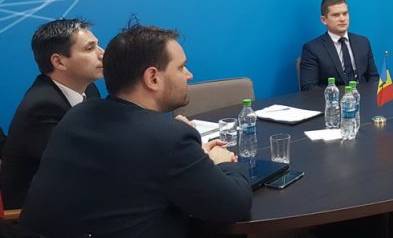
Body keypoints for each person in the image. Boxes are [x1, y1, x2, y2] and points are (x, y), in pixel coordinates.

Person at [21, 24, 251, 237]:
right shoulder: (169, 137)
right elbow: (233, 206)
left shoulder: (77, 115)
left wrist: (192, 156)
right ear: (152, 78)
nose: (189, 75)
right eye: (181, 67)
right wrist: (225, 163)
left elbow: (135, 166)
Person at [0, 18, 103, 208]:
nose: (102, 54)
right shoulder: (41, 107)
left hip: (75, 196)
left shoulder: (89, 89)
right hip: (33, 212)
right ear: (59, 61)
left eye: (98, 45)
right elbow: (77, 165)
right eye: (90, 48)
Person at [300, 0, 378, 90]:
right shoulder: (312, 48)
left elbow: (373, 77)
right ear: (324, 20)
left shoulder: (363, 42)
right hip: (333, 98)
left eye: (345, 14)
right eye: (336, 15)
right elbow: (309, 87)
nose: (342, 19)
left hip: (363, 96)